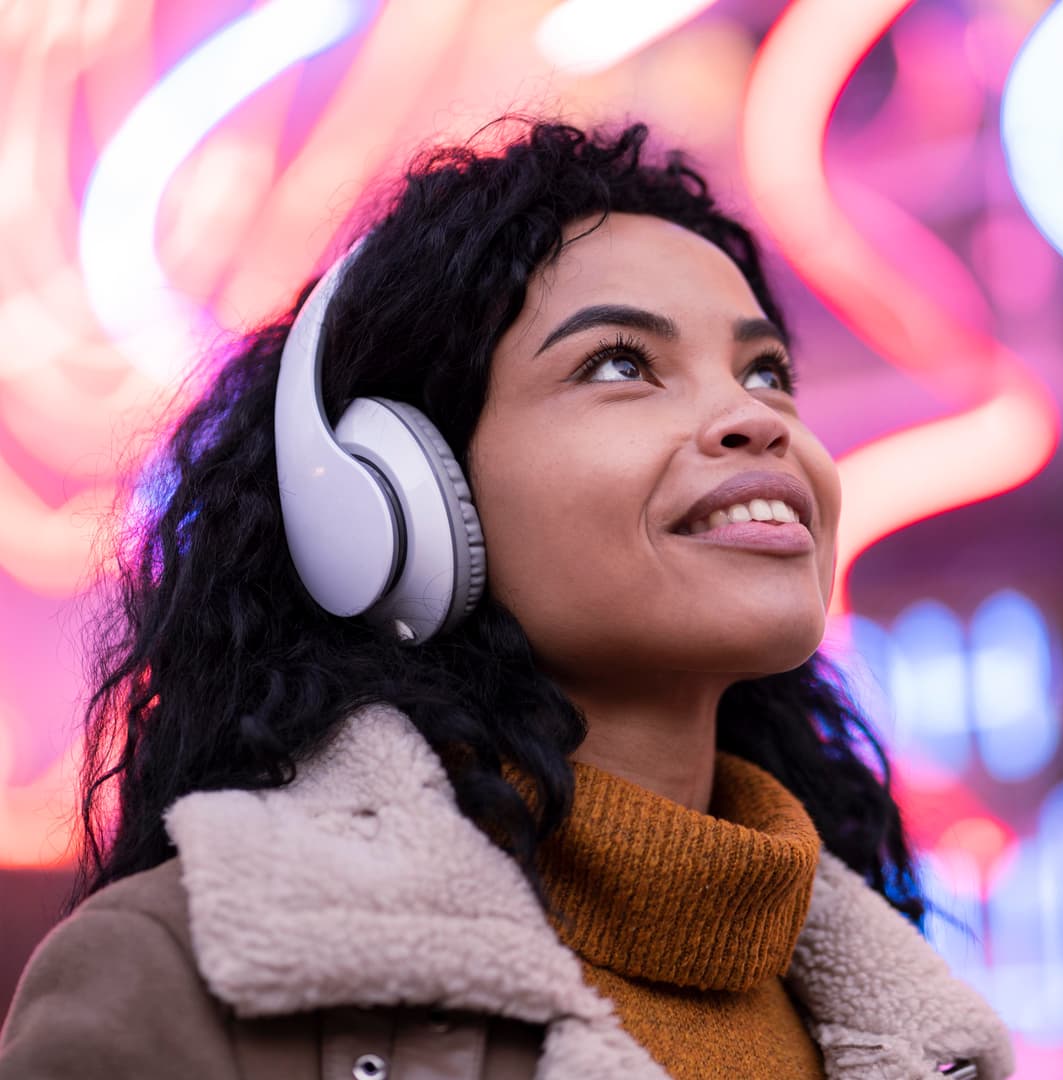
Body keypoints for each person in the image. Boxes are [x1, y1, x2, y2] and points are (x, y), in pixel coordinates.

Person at [0, 120, 1012, 1079]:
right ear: (395, 498)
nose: (753, 418)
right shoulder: (174, 979)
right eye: (620, 363)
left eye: (767, 371)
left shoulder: (923, 1033)